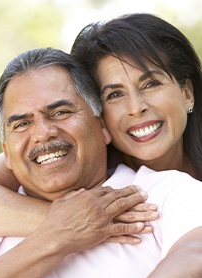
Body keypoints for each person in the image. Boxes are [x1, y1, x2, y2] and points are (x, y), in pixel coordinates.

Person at [0, 47, 202, 278]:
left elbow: (195, 269)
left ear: (102, 126)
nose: (43, 133)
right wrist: (57, 233)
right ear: (6, 152)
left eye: (60, 112)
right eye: (21, 124)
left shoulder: (168, 194)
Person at [71, 12, 202, 181]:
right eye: (115, 94)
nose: (136, 108)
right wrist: (47, 209)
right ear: (99, 116)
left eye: (151, 84)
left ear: (187, 94)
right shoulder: (91, 186)